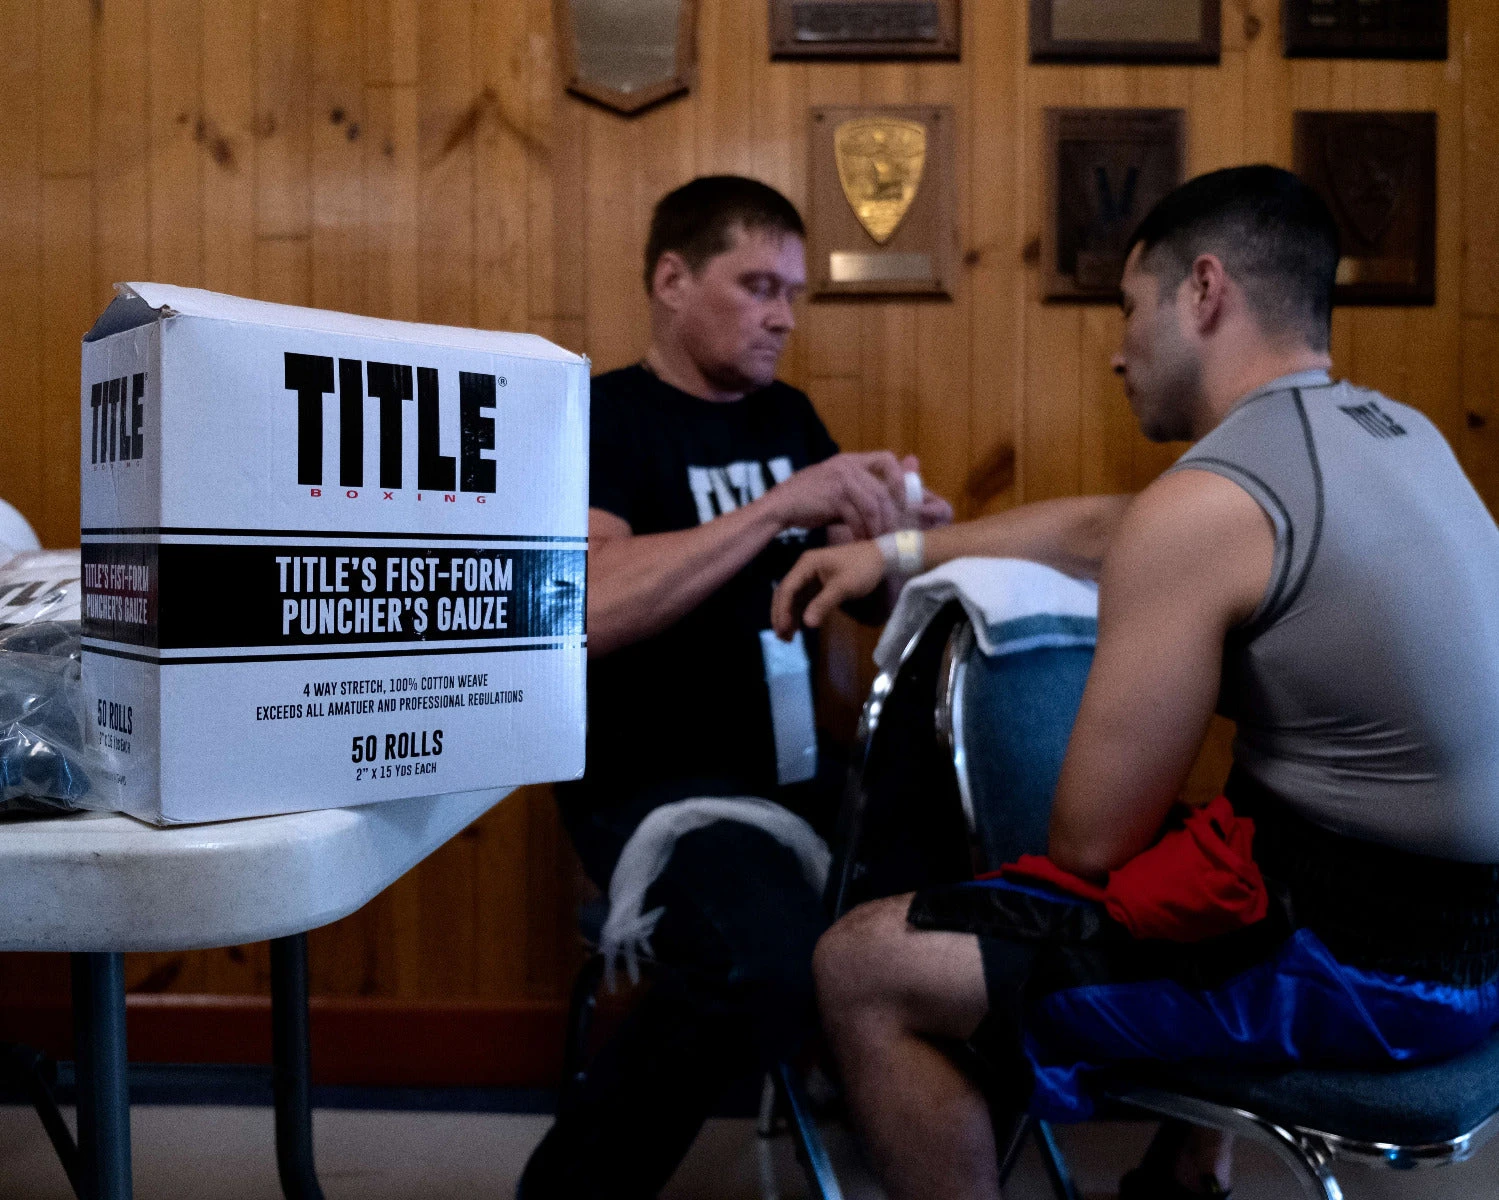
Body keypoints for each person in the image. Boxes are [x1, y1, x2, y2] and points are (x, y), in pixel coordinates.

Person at [773, 165, 1499, 1199]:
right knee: (1224, 828)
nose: (1116, 351)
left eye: (1126, 308)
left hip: (1368, 976)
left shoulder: (1207, 504)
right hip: (1471, 947)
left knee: (860, 964)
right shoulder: (1392, 434)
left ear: (1201, 292)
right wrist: (896, 551)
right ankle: (1184, 1175)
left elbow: (1089, 842)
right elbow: (1108, 525)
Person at [517, 175, 951, 1199]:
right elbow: (581, 610)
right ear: (671, 279)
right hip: (648, 783)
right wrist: (773, 510)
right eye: (756, 285)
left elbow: (856, 607)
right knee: (761, 962)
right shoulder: (602, 417)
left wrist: (890, 544)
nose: (780, 317)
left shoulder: (787, 415)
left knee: (995, 888)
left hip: (793, 768)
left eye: (793, 293)